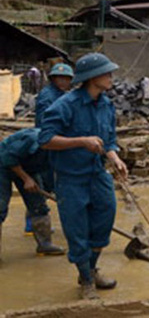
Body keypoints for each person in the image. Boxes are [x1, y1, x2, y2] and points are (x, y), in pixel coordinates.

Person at [38, 53, 129, 300]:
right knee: (77, 230)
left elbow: (108, 141)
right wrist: (81, 141)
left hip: (97, 174)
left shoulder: (106, 104)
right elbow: (45, 140)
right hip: (70, 178)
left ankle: (91, 267)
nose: (111, 77)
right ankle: (86, 280)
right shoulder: (64, 106)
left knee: (104, 219)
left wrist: (115, 159)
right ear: (92, 78)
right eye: (107, 73)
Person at [0, 128, 66, 258]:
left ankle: (45, 245)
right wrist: (25, 178)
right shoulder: (33, 140)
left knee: (38, 205)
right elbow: (8, 158)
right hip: (3, 164)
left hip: (28, 168)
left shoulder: (61, 151)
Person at [28, 63, 73, 233]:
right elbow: (44, 123)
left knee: (48, 183)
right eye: (60, 78)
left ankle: (34, 222)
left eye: (66, 79)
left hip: (57, 142)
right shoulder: (48, 96)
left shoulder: (61, 94)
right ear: (54, 79)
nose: (63, 81)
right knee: (45, 182)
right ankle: (33, 222)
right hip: (49, 144)